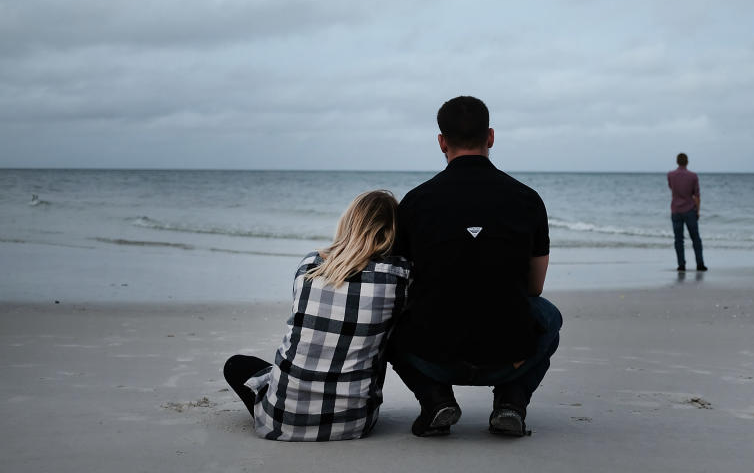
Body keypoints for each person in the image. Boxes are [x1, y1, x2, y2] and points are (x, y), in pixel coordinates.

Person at [389, 96, 562, 438]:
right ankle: (511, 402)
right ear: (491, 137)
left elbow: (401, 281)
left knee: (393, 319)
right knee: (550, 317)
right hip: (508, 357)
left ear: (441, 141)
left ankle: (435, 400)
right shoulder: (527, 199)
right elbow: (535, 287)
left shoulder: (415, 201)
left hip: (432, 354)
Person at [223, 190, 410, 441]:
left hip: (279, 421)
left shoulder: (310, 265)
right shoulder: (400, 276)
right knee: (382, 337)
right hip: (354, 424)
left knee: (236, 364)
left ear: (349, 222)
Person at [667, 153, 706, 272]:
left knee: (678, 239)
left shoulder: (670, 175)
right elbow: (697, 195)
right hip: (689, 210)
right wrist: (698, 211)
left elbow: (671, 189)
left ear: (677, 162)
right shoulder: (693, 176)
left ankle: (681, 264)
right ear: (687, 162)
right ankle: (700, 264)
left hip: (676, 210)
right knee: (695, 238)